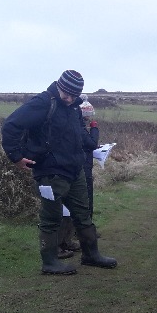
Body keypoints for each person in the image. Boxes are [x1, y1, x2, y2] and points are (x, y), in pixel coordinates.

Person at [1, 70, 117, 275]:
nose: (69, 98)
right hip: (50, 173)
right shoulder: (43, 102)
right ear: (59, 86)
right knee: (51, 217)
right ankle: (50, 262)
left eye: (74, 95)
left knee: (83, 214)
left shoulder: (73, 106)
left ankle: (91, 255)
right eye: (67, 93)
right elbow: (11, 125)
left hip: (75, 170)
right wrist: (16, 156)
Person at [58, 97, 99, 256]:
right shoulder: (78, 128)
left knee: (74, 207)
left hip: (78, 168)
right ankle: (63, 243)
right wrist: (94, 130)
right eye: (87, 115)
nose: (89, 118)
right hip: (75, 170)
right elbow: (90, 143)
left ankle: (68, 241)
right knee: (68, 209)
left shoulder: (78, 126)